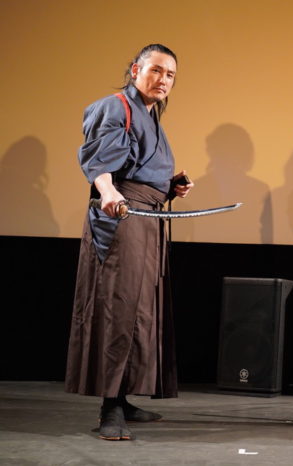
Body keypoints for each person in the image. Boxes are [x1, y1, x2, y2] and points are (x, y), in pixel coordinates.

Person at [65, 44, 194, 441]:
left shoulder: (151, 117)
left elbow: (140, 167)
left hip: (147, 218)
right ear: (136, 69)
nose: (163, 80)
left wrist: (170, 187)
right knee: (118, 309)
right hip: (122, 219)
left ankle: (124, 397)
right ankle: (110, 406)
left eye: (170, 75)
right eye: (156, 70)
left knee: (141, 312)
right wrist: (108, 192)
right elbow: (100, 162)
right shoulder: (115, 106)